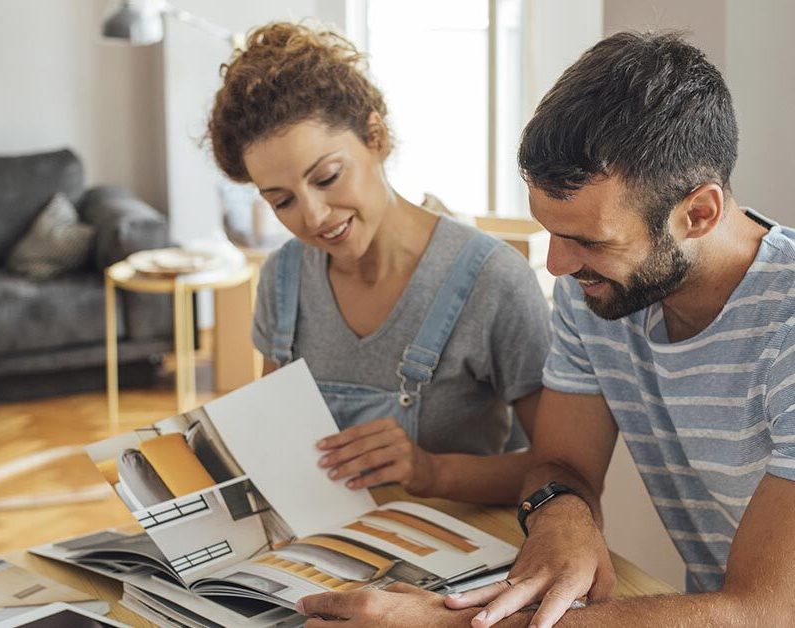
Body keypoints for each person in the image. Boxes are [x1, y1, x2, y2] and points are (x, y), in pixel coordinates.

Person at [296, 30, 795, 627]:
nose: (558, 265)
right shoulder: (595, 292)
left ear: (699, 213)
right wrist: (563, 515)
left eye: (588, 240)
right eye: (551, 232)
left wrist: (448, 624)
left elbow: (761, 613)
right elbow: (562, 462)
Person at [206, 21, 551, 506]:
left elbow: (562, 476)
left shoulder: (493, 281)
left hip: (454, 565)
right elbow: (279, 447)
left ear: (376, 138)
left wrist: (430, 471)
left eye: (327, 177)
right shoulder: (283, 280)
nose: (314, 217)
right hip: (323, 558)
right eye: (282, 201)